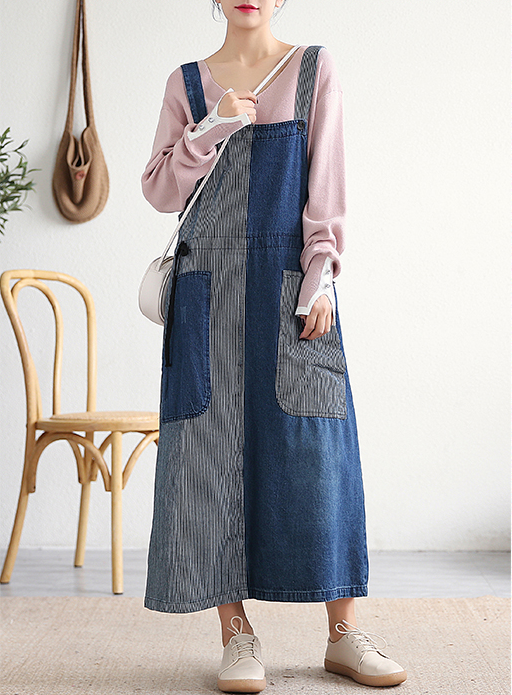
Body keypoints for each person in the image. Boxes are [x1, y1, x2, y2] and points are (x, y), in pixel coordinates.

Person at [140, 1, 407, 691]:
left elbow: (327, 188)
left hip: (289, 285)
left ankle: (343, 634)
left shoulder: (313, 68)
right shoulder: (187, 83)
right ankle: (236, 633)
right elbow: (160, 191)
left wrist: (321, 278)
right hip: (206, 292)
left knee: (318, 454)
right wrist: (213, 124)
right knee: (207, 457)